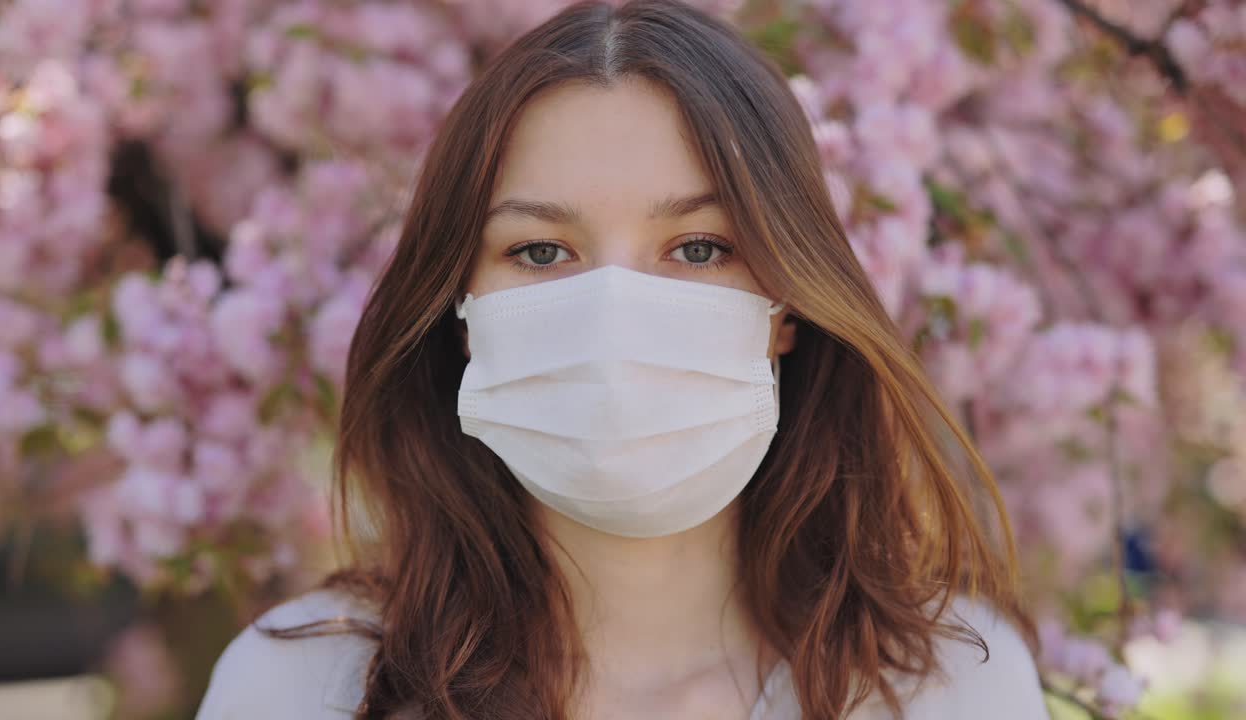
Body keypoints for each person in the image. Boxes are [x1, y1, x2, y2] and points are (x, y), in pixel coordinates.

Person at [195, 1, 1050, 718]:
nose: (614, 313)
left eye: (699, 247)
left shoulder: (947, 688)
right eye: (539, 253)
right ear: (461, 315)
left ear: (788, 306)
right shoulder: (301, 691)